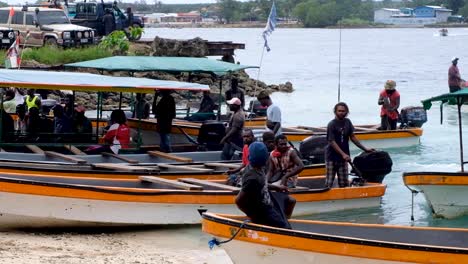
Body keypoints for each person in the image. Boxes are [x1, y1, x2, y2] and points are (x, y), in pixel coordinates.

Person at [235, 142, 292, 228]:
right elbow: (238, 201)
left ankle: (284, 218)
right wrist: (252, 216)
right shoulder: (252, 178)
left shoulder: (258, 167)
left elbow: (263, 184)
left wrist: (277, 187)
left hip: (268, 198)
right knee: (285, 228)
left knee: (291, 200)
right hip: (263, 209)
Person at [325, 102, 374, 188]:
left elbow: (353, 137)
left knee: (344, 183)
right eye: (339, 111)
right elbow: (331, 141)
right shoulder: (331, 124)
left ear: (347, 112)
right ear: (335, 112)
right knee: (329, 183)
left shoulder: (348, 122)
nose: (341, 113)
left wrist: (365, 149)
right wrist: (343, 154)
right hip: (332, 157)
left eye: (343, 111)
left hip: (344, 158)